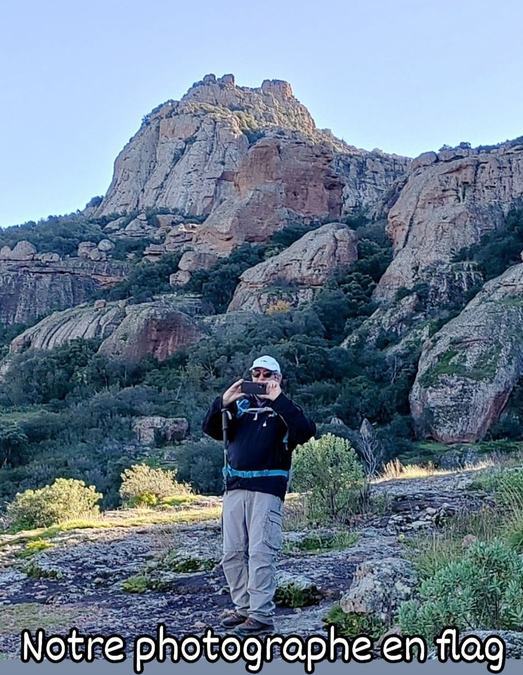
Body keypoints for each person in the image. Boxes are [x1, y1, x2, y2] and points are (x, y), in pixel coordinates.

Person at [202, 355, 316, 636]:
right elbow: (211, 429)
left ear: (278, 378)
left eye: (268, 375)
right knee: (232, 553)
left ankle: (261, 615)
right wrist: (223, 401)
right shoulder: (239, 409)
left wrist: (279, 400)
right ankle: (243, 608)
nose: (261, 380)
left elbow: (306, 431)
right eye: (257, 374)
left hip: (267, 490)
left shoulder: (285, 411)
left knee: (261, 552)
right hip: (235, 488)